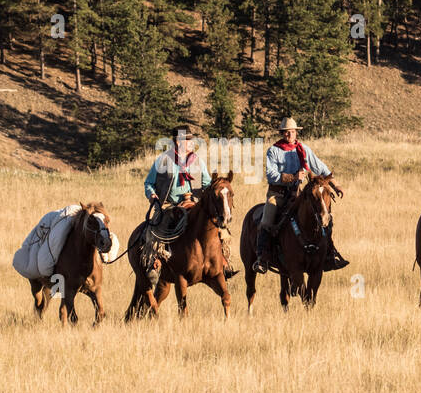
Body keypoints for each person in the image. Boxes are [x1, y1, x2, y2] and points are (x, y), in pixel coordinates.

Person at [140, 128, 236, 288]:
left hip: (194, 203)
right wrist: (152, 196)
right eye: (188, 140)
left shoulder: (197, 161)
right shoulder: (163, 160)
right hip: (170, 205)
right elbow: (148, 183)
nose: (192, 143)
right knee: (157, 229)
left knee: (218, 226)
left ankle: (223, 261)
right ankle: (154, 263)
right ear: (178, 142)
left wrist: (216, 188)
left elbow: (206, 183)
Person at [251, 117, 348, 275]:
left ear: (296, 132)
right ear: (282, 133)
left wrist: (335, 185)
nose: (289, 134)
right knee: (267, 220)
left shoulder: (303, 149)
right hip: (278, 194)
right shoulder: (273, 151)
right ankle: (262, 258)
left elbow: (321, 168)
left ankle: (330, 255)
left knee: (324, 217)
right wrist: (293, 177)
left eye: (292, 131)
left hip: (298, 194)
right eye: (286, 132)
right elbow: (271, 175)